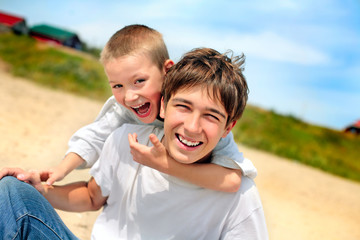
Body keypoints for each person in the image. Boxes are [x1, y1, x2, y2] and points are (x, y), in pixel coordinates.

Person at [0, 48, 268, 239]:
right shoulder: (128, 141)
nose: (192, 127)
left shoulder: (240, 194)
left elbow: (232, 184)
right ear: (163, 104)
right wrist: (42, 189)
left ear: (228, 127)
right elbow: (93, 196)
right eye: (183, 107)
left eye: (211, 116)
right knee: (12, 191)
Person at [42, 24, 257, 192]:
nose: (129, 96)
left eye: (139, 81)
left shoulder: (198, 116)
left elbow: (231, 179)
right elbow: (93, 137)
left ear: (167, 70)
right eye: (118, 85)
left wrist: (164, 164)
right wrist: (60, 170)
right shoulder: (123, 110)